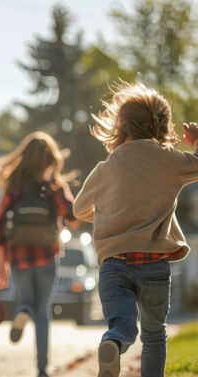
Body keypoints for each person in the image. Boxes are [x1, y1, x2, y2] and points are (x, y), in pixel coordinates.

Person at [73, 81, 195, 377]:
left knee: (123, 325)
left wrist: (110, 212)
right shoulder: (170, 160)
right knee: (154, 334)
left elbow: (79, 209)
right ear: (161, 126)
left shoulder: (107, 167)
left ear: (121, 126)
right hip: (154, 264)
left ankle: (113, 343)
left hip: (114, 265)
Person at [0, 131, 79, 377]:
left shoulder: (14, 186)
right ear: (51, 159)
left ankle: (21, 313)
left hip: (18, 256)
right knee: (43, 312)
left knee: (26, 301)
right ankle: (42, 368)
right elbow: (72, 215)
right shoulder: (53, 186)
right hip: (47, 255)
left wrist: (1, 264)